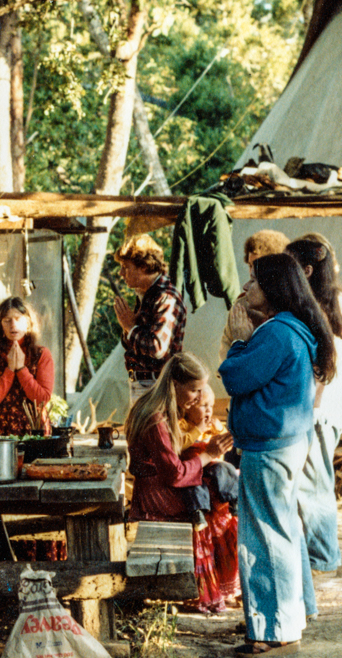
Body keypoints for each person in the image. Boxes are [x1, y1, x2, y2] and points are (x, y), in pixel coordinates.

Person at [219, 253, 336, 658]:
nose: (246, 289)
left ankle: (273, 629)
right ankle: (292, 612)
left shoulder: (275, 334)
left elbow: (235, 378)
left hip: (268, 447)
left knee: (264, 537)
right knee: (284, 529)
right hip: (286, 442)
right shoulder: (291, 329)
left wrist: (237, 340)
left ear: (271, 291)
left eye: (253, 282)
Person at [125, 352, 238, 613]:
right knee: (213, 502)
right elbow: (174, 474)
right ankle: (202, 588)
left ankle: (219, 583)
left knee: (217, 483)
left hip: (157, 484)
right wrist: (208, 454)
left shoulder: (161, 409)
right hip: (155, 494)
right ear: (175, 385)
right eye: (194, 391)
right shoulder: (156, 418)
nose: (199, 398)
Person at [286, 235, 342, 574]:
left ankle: (323, 557)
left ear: (308, 270)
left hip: (320, 409)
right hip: (313, 407)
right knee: (309, 483)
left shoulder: (334, 303)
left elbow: (328, 366)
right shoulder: (311, 302)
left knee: (315, 484)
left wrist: (312, 409)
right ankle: (317, 553)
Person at [113, 234, 187, 403]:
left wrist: (131, 327)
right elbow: (132, 345)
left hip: (156, 385)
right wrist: (128, 328)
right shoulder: (146, 294)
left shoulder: (166, 297)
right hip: (143, 383)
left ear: (144, 267)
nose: (121, 273)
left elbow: (157, 348)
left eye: (126, 267)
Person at [0, 296, 54, 436]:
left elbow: (42, 400)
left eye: (18, 319)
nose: (13, 325)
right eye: (7, 320)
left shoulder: (42, 354)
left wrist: (21, 370)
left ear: (28, 322)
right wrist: (9, 370)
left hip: (34, 428)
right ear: (0, 325)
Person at [219, 230, 290, 360]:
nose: (252, 271)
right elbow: (226, 351)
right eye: (250, 265)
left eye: (258, 265)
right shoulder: (242, 306)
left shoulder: (292, 305)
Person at [178, 383, 239, 526]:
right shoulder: (183, 425)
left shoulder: (212, 425)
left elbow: (227, 446)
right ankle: (198, 512)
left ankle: (234, 500)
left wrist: (219, 429)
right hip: (192, 467)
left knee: (226, 468)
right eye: (203, 406)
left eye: (211, 406)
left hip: (212, 466)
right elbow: (181, 444)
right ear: (188, 408)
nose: (208, 411)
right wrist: (198, 430)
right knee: (193, 485)